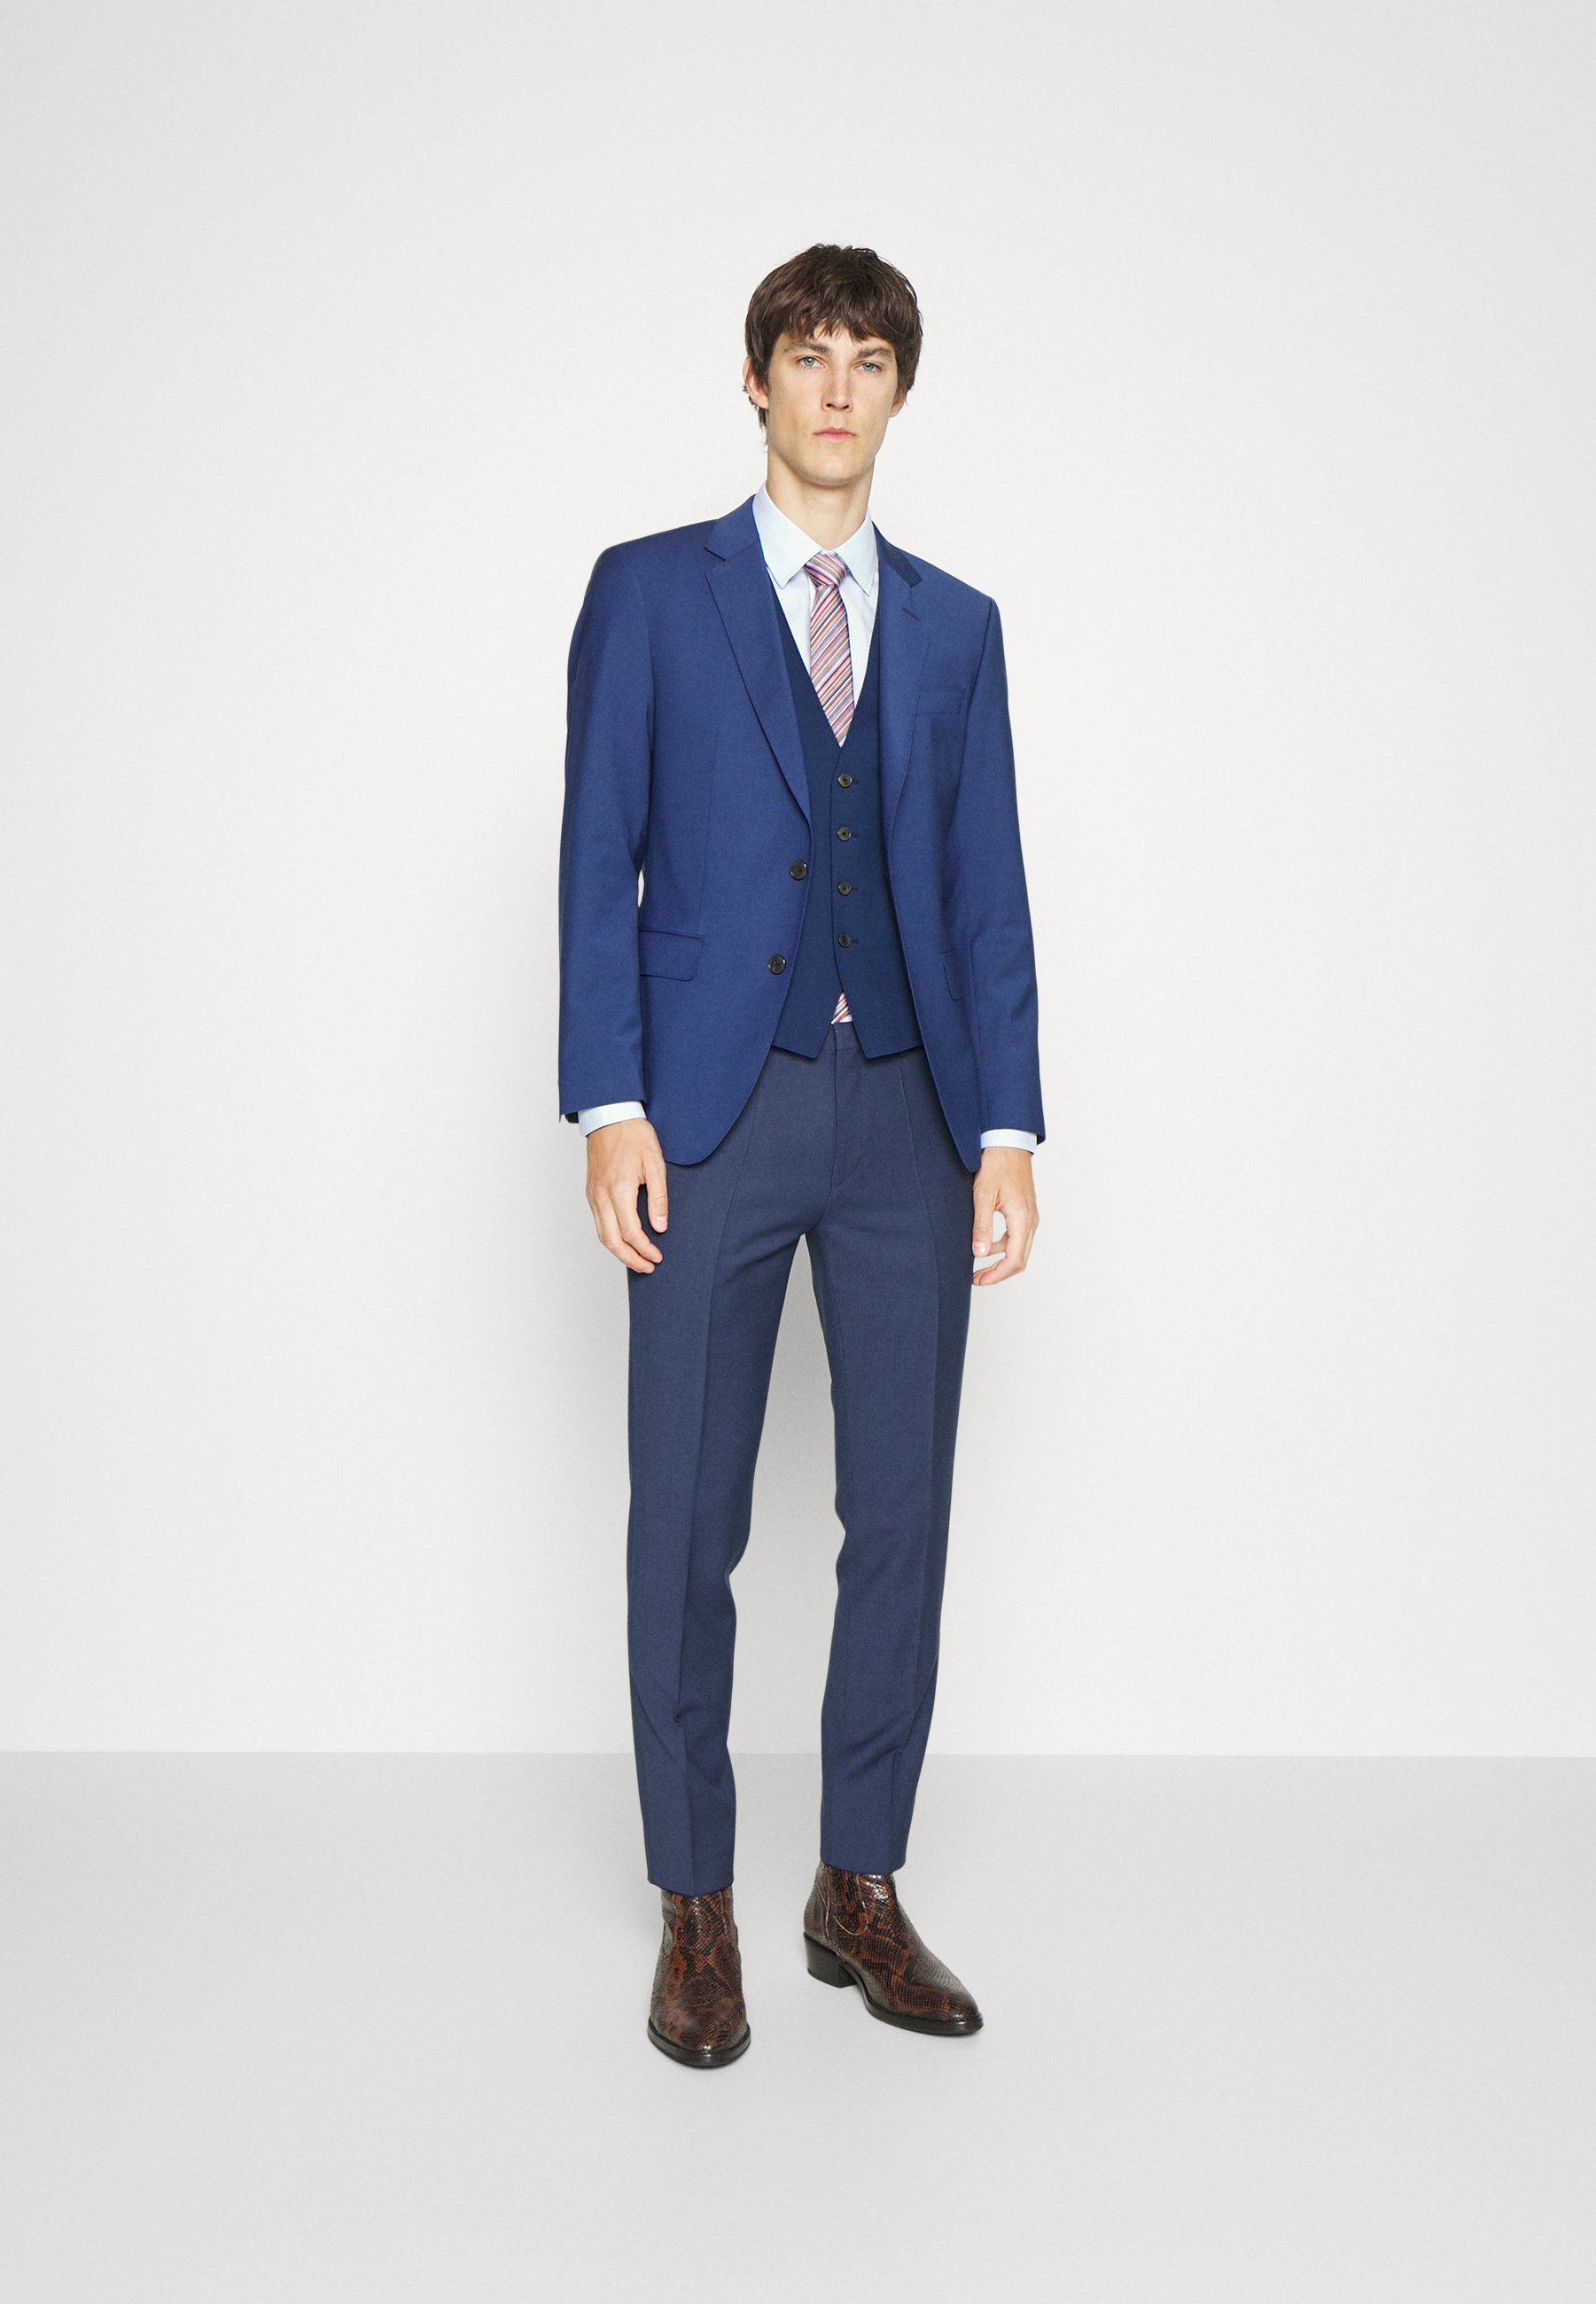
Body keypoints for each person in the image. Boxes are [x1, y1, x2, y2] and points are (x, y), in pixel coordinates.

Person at [557, 243, 1044, 2067]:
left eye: (869, 359)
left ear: (899, 392)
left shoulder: (957, 627)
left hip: (908, 1113)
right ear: (755, 381)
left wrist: (1005, 1128)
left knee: (899, 1513)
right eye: (807, 353)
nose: (837, 385)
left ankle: (859, 1886)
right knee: (687, 1518)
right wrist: (609, 1102)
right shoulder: (649, 593)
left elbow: (986, 891)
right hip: (710, 1113)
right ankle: (695, 1903)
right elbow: (594, 852)